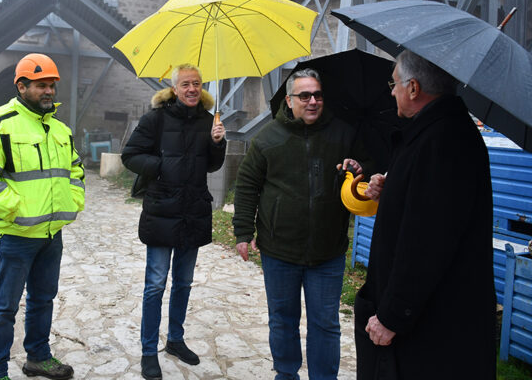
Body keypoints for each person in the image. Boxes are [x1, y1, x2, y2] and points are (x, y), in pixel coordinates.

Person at [354, 50, 496, 379]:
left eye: (394, 83)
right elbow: (426, 204)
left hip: (433, 331)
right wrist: (394, 186)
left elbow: (427, 241)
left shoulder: (445, 141)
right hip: (428, 322)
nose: (391, 91)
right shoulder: (434, 134)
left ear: (414, 88)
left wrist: (391, 316)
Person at [232, 68, 370, 380]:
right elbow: (247, 186)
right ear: (290, 101)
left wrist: (359, 167)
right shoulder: (268, 138)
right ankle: (286, 373)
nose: (312, 101)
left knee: (326, 322)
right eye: (304, 95)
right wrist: (243, 231)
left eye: (318, 95)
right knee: (282, 319)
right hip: (278, 249)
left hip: (328, 250)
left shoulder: (343, 134)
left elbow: (369, 167)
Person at [0, 53, 85, 380]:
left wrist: (73, 200)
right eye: (40, 85)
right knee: (5, 308)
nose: (48, 91)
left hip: (51, 236)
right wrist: (15, 209)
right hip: (16, 236)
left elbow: (76, 169)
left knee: (43, 300)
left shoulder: (60, 129)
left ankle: (38, 357)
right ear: (21, 86)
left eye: (51, 85)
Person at [121, 64, 226, 380]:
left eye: (197, 83)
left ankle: (176, 340)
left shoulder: (209, 121)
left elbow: (211, 165)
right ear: (174, 89)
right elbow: (130, 155)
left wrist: (218, 142)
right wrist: (161, 167)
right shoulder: (155, 119)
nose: (192, 89)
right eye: (185, 84)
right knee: (155, 285)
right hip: (162, 210)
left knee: (183, 282)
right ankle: (148, 350)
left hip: (192, 212)